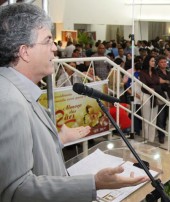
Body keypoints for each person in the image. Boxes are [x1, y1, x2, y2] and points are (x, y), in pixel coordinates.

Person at [0, 4, 148, 202]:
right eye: (48, 41)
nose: (55, 48)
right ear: (25, 52)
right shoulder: (10, 101)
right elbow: (17, 189)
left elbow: (26, 154)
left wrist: (59, 140)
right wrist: (95, 183)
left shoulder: (17, 91)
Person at [156, 56, 170, 144]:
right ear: (158, 63)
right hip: (161, 98)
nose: (164, 64)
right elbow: (158, 84)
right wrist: (168, 83)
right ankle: (161, 136)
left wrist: (166, 82)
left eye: (165, 62)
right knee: (161, 119)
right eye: (162, 62)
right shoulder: (156, 73)